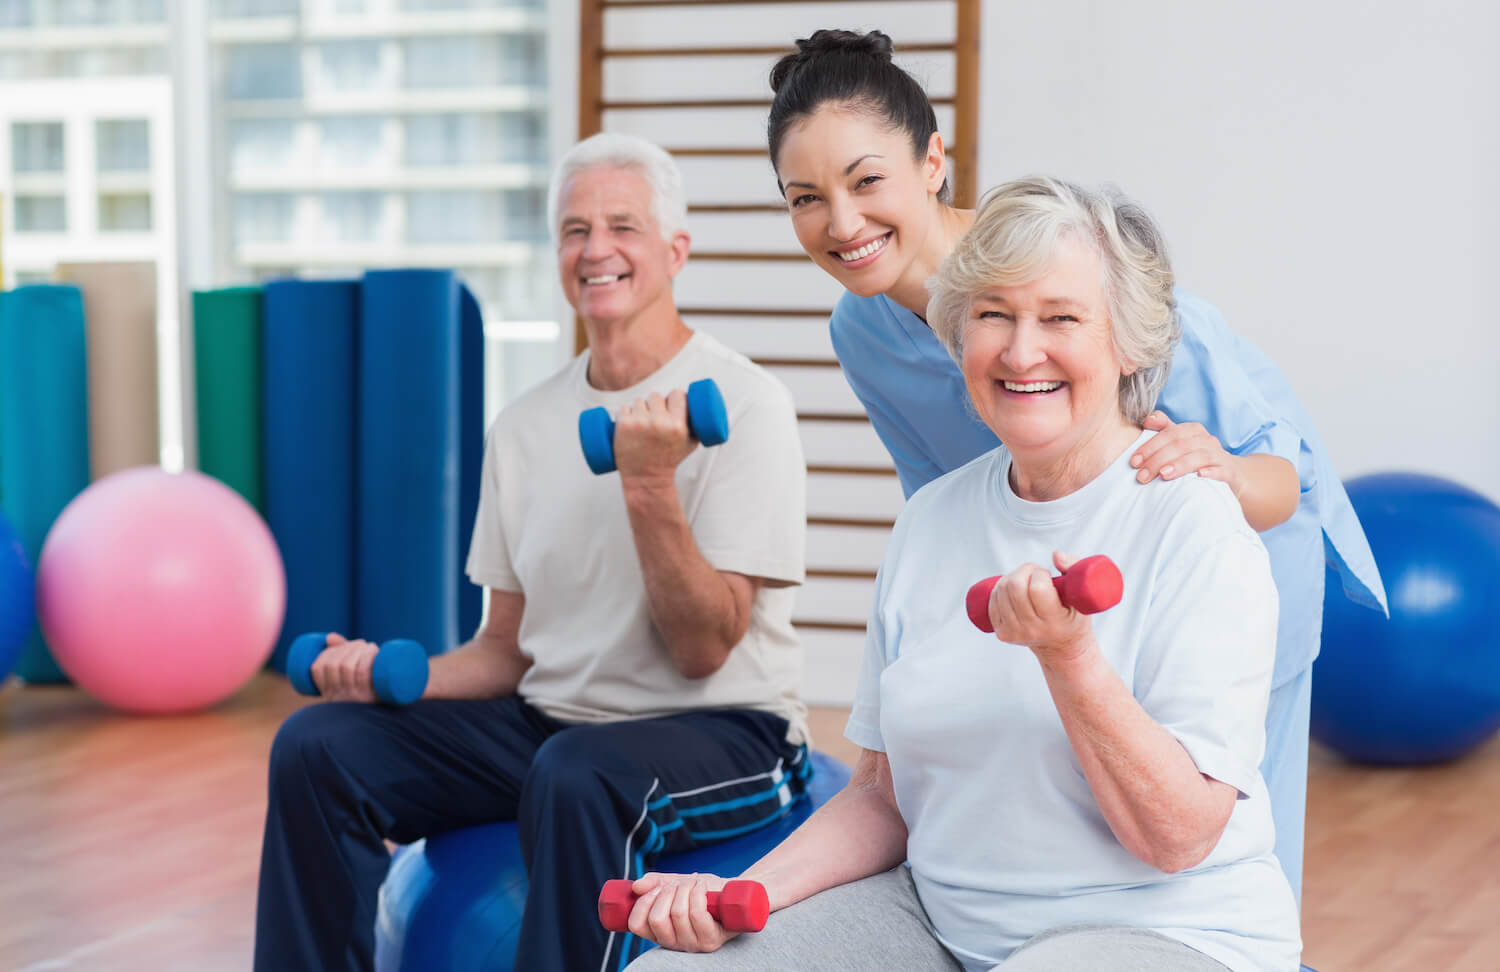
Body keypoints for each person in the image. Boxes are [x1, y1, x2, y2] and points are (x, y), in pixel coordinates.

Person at [759, 28, 1386, 900]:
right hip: (1078, 590)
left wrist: (1227, 476)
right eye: (806, 198)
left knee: (1226, 860)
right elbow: (940, 505)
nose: (842, 222)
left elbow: (1283, 479)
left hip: (1229, 562)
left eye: (867, 181)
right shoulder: (860, 331)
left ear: (932, 160)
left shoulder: (1072, 270)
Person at [625, 178, 1302, 971]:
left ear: (1128, 344)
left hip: (1168, 929)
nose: (1021, 352)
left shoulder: (1193, 522)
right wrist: (739, 892)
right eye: (992, 315)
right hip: (939, 925)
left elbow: (1178, 836)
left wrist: (1070, 658)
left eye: (1060, 318)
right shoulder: (932, 520)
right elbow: (883, 797)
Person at [253, 133, 811, 972]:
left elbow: (703, 651)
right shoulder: (523, 426)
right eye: (574, 230)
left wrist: (650, 485)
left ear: (675, 249)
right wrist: (382, 673)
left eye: (623, 225)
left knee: (577, 774)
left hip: (726, 729)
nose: (596, 250)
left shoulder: (749, 405)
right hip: (555, 726)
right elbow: (507, 647)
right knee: (316, 746)